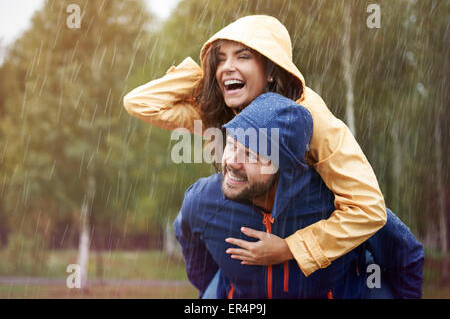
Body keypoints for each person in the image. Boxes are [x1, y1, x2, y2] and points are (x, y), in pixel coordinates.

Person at [124, 15, 387, 277]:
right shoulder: (226, 111)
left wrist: (289, 248)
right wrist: (207, 76)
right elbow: (140, 103)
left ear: (272, 70)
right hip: (251, 235)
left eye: (243, 56)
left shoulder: (310, 117)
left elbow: (368, 209)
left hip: (319, 255)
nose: (227, 66)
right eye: (221, 58)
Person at [174, 92, 424, 299]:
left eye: (252, 155)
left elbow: (406, 256)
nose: (232, 162)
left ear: (286, 169)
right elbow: (197, 262)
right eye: (233, 144)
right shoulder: (203, 201)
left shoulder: (340, 204)